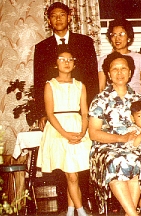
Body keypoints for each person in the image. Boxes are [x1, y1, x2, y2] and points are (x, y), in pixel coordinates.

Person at [33, 2, 98, 208]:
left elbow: (92, 80)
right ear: (49, 20)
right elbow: (38, 81)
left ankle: (85, 202)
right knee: (62, 160)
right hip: (57, 111)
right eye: (54, 16)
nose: (58, 19)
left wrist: (92, 114)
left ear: (70, 17)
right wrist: (42, 113)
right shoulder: (42, 47)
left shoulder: (85, 42)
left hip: (80, 110)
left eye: (62, 15)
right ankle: (66, 206)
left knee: (81, 159)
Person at [88, 52, 141, 216]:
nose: (120, 73)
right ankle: (133, 214)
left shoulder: (138, 99)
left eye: (124, 69)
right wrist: (121, 138)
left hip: (132, 146)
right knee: (116, 160)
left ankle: (129, 213)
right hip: (104, 148)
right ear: (108, 74)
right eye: (115, 69)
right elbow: (94, 133)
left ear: (130, 73)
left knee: (138, 158)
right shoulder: (100, 99)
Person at [36, 45, 92, 216]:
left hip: (77, 128)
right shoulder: (50, 85)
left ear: (74, 64)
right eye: (62, 59)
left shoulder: (80, 85)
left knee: (72, 171)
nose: (66, 62)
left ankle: (69, 211)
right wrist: (65, 134)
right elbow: (50, 114)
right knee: (71, 175)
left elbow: (84, 112)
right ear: (56, 64)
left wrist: (82, 132)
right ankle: (81, 211)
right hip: (58, 130)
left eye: (70, 60)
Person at [98, 18, 141, 106]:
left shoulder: (139, 58)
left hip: (136, 104)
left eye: (121, 34)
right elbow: (101, 87)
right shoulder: (104, 59)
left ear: (129, 37)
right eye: (114, 35)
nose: (117, 38)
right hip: (113, 104)